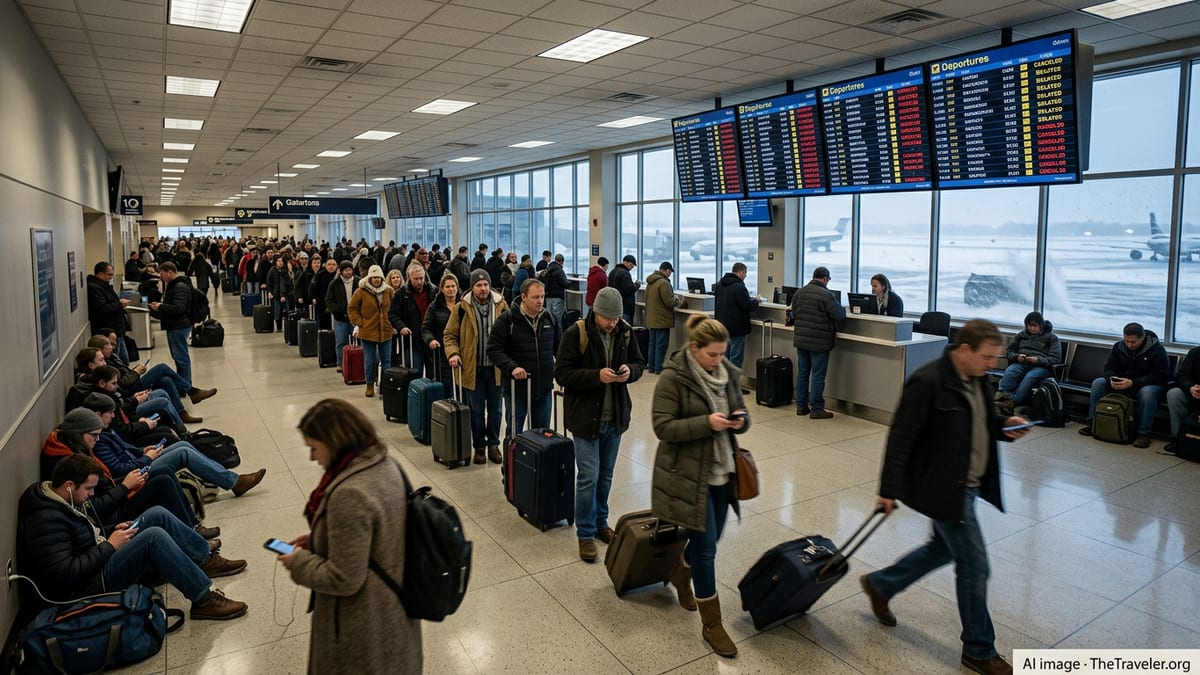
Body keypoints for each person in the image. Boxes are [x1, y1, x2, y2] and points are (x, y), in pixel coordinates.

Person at [861, 319, 1030, 675]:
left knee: (942, 549)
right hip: (943, 488)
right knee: (975, 567)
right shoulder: (928, 382)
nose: (992, 364)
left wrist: (1005, 426)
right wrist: (887, 491)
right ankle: (979, 650)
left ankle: (882, 584)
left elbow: (982, 422)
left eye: (995, 358)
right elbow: (901, 438)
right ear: (963, 350)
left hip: (967, 484)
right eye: (987, 357)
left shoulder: (979, 378)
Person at [279, 399, 422, 673]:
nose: (312, 457)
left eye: (314, 448)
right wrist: (324, 540)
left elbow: (343, 578)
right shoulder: (385, 465)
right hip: (395, 613)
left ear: (334, 442)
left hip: (362, 625)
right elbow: (380, 532)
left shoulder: (349, 493)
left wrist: (298, 562)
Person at [17, 453, 248, 620]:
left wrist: (111, 532)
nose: (91, 495)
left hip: (98, 556)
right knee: (153, 538)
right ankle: (203, 599)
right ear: (69, 486)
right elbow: (66, 574)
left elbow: (82, 539)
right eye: (88, 489)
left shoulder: (61, 500)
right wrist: (110, 545)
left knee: (156, 515)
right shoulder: (46, 520)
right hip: (88, 585)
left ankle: (205, 559)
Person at [650, 313, 748, 658]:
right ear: (695, 348)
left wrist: (740, 421)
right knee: (707, 549)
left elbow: (742, 412)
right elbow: (663, 427)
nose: (718, 360)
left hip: (724, 471)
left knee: (712, 538)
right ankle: (712, 624)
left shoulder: (728, 375)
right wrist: (706, 423)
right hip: (689, 474)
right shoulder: (674, 378)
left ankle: (680, 571)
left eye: (723, 353)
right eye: (712, 354)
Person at [556, 287, 644, 562]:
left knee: (605, 475)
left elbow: (640, 362)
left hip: (614, 417)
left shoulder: (625, 332)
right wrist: (596, 376)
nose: (613, 323)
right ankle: (585, 533)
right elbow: (562, 374)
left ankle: (600, 522)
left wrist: (630, 372)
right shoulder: (576, 334)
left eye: (616, 318)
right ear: (596, 312)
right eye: (609, 318)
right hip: (585, 418)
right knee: (588, 477)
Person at [82, 393, 266, 500]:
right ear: (98, 414)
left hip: (139, 460)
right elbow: (118, 470)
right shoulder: (99, 440)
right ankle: (233, 482)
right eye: (110, 414)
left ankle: (223, 477)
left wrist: (143, 451)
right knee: (183, 451)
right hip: (137, 472)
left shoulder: (104, 431)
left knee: (183, 444)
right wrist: (147, 458)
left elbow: (126, 447)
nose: (113, 417)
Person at [444, 269, 509, 465]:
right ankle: (479, 447)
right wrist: (453, 353)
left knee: (497, 410)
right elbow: (449, 335)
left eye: (486, 285)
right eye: (479, 285)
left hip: (496, 369)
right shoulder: (461, 308)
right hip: (472, 368)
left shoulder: (502, 306)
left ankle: (493, 445)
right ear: (472, 287)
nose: (483, 288)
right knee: (476, 410)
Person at [488, 279, 560, 438]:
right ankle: (511, 463)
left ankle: (537, 464)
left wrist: (562, 373)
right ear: (523, 297)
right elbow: (493, 349)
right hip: (517, 389)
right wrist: (512, 367)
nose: (540, 301)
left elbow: (560, 350)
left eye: (542, 296)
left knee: (541, 435)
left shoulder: (550, 319)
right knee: (514, 434)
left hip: (543, 388)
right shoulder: (508, 320)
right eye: (535, 297)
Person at [1079, 322, 1169, 448]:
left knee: (1148, 394)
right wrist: (1111, 378)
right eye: (1126, 341)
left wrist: (1133, 382)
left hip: (1145, 384)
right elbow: (1109, 367)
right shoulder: (1119, 347)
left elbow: (1160, 375)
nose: (1129, 345)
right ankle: (1093, 423)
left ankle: (1143, 434)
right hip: (1122, 382)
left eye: (1133, 342)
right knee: (1098, 383)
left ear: (1142, 338)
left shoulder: (1157, 350)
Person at [790, 266, 845, 419]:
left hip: (801, 339)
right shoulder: (826, 295)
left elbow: (793, 313)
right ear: (825, 279)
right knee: (818, 375)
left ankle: (801, 406)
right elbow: (839, 314)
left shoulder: (799, 293)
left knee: (802, 374)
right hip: (819, 342)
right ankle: (816, 409)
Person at [995, 312, 1061, 414]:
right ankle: (1004, 399)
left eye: (1034, 325)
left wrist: (1038, 360)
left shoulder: (1051, 338)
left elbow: (1055, 359)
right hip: (1022, 363)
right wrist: (1017, 357)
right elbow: (1010, 351)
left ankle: (1012, 402)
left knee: (1029, 377)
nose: (1031, 328)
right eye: (1029, 325)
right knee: (1011, 372)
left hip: (1041, 367)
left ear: (1041, 325)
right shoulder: (1021, 335)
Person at [347, 265, 394, 398]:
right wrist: (360, 323)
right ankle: (369, 385)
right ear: (369, 278)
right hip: (367, 332)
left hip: (386, 331)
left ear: (382, 278)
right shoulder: (360, 291)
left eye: (378, 277)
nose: (376, 280)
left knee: (386, 361)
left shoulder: (389, 291)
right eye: (373, 277)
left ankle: (385, 386)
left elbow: (395, 308)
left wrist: (392, 323)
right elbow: (352, 309)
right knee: (370, 360)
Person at [148, 262, 196, 386]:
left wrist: (161, 306)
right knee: (179, 357)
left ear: (170, 272)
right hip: (175, 324)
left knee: (181, 358)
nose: (160, 276)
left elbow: (178, 308)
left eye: (162, 273)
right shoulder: (173, 285)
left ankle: (185, 386)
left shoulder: (179, 286)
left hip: (178, 325)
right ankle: (183, 384)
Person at [713, 262, 760, 369]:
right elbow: (747, 306)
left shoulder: (720, 285)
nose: (745, 275)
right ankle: (733, 384)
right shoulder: (739, 287)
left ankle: (724, 383)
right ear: (739, 272)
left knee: (724, 358)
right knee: (735, 360)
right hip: (736, 328)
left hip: (722, 326)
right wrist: (756, 301)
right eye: (744, 273)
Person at [389, 263, 433, 376]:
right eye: (416, 279)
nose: (419, 282)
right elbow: (392, 314)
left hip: (431, 338)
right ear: (409, 278)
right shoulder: (401, 294)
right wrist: (401, 326)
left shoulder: (433, 291)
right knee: (414, 372)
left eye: (421, 278)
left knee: (433, 373)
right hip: (412, 340)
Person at [87, 261, 132, 364]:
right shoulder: (94, 288)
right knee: (118, 362)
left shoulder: (105, 286)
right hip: (109, 331)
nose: (111, 277)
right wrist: (119, 304)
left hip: (116, 330)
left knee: (124, 361)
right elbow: (101, 308)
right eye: (109, 274)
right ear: (100, 274)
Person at [422, 273, 459, 391]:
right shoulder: (434, 306)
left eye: (453, 286)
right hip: (441, 352)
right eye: (447, 287)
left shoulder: (464, 305)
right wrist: (430, 340)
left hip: (462, 350)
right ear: (442, 289)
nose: (451, 289)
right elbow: (426, 328)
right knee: (447, 384)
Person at [645, 261, 684, 374]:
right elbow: (669, 302)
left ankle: (652, 367)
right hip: (662, 318)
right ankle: (659, 368)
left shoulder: (651, 282)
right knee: (661, 345)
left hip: (652, 318)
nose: (670, 274)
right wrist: (678, 299)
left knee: (652, 344)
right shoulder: (664, 283)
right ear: (667, 270)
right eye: (670, 272)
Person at [1164, 345, 1200, 455]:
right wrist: (1190, 388)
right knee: (1174, 394)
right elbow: (1182, 376)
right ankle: (1178, 439)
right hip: (1195, 392)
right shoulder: (1195, 353)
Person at [325, 261, 359, 373]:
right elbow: (329, 300)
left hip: (356, 317)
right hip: (340, 318)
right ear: (341, 271)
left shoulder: (359, 282)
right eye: (346, 270)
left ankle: (358, 362)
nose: (348, 272)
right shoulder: (334, 284)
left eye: (350, 270)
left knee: (358, 341)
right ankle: (340, 363)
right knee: (341, 341)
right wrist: (337, 311)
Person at [266, 255, 295, 331]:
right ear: (275, 262)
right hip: (275, 295)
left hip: (285, 295)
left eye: (281, 261)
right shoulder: (272, 271)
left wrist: (284, 295)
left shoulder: (285, 272)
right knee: (277, 312)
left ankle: (287, 327)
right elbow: (269, 282)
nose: (280, 263)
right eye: (278, 261)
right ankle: (279, 327)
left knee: (286, 312)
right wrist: (269, 292)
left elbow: (288, 283)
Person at [608, 255, 639, 323]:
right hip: (625, 307)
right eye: (632, 264)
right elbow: (629, 289)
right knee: (625, 329)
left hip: (614, 305)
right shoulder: (625, 273)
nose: (632, 267)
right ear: (626, 262)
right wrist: (637, 285)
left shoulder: (613, 271)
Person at [542, 253, 569, 328]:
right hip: (557, 297)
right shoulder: (559, 271)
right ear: (562, 262)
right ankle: (559, 338)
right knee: (558, 320)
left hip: (548, 297)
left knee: (550, 319)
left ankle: (550, 336)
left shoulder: (548, 269)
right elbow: (565, 284)